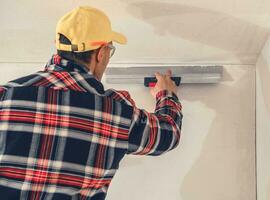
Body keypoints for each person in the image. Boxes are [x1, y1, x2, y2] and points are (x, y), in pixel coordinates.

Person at [0, 6, 183, 200]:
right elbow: (168, 134)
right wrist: (166, 94)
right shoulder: (116, 112)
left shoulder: (6, 95)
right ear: (101, 53)